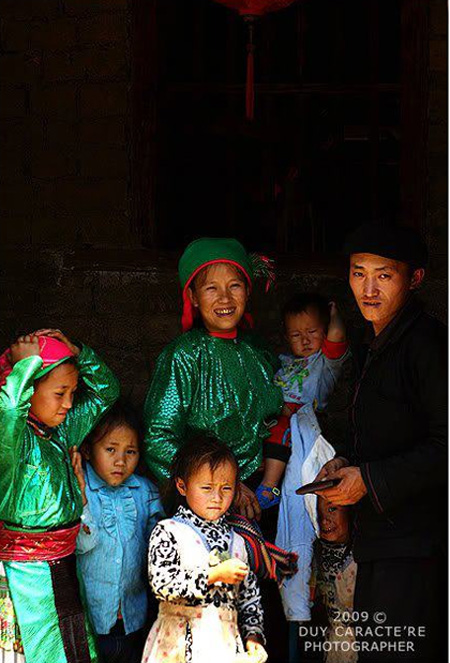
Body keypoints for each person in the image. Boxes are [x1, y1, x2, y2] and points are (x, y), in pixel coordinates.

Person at [316, 224, 447, 661]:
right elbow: (380, 430)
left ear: (415, 278)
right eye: (359, 273)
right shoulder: (372, 342)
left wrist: (369, 481)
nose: (368, 290)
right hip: (379, 541)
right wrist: (345, 463)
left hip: (417, 547)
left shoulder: (428, 346)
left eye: (384, 275)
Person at [0, 329, 120, 663]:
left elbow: (107, 391)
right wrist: (24, 367)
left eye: (72, 393)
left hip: (66, 566)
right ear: (29, 388)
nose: (69, 403)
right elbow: (9, 410)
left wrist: (79, 352)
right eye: (59, 393)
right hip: (26, 577)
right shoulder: (12, 442)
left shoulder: (61, 431)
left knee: (75, 649)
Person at [143, 237, 283, 520]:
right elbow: (158, 438)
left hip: (263, 493)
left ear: (247, 291)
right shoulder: (184, 355)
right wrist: (222, 486)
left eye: (234, 286)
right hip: (207, 503)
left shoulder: (259, 352)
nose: (225, 298)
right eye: (211, 288)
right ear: (193, 297)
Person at [142, 437, 267, 663]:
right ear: (182, 486)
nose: (217, 498)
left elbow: (249, 596)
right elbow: (162, 585)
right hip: (177, 646)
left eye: (226, 488)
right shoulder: (169, 531)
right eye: (207, 488)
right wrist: (213, 576)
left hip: (224, 647)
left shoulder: (238, 541)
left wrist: (253, 636)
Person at [74, 401, 163, 663]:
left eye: (130, 452)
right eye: (110, 449)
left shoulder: (146, 492)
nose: (120, 461)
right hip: (91, 620)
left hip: (133, 618)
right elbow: (81, 544)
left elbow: (158, 550)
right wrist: (81, 498)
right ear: (88, 450)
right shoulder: (80, 489)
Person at [256, 294, 348, 505]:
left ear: (324, 330)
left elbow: (337, 335)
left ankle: (268, 488)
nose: (305, 340)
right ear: (286, 337)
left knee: (281, 429)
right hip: (277, 419)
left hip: (303, 420)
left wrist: (334, 314)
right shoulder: (285, 363)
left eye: (312, 332)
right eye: (296, 335)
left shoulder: (325, 363)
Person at [311, 500, 357, 663]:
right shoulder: (314, 552)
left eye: (332, 509)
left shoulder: (363, 555)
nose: (324, 520)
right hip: (334, 647)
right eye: (318, 512)